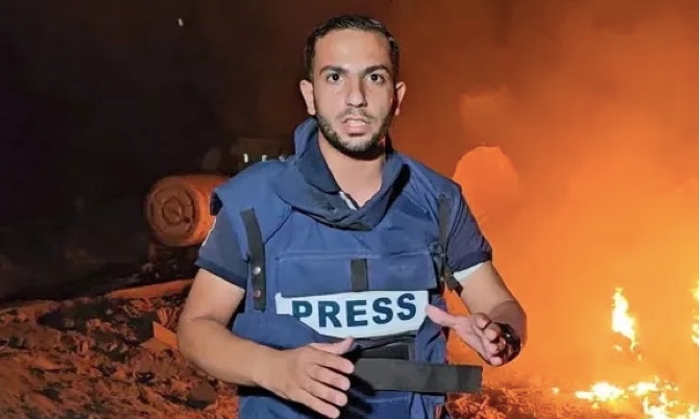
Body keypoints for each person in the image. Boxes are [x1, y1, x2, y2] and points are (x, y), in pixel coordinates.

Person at [177, 14, 527, 419]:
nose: (355, 97)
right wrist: (272, 368)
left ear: (396, 96)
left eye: (374, 77)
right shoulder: (254, 202)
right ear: (309, 95)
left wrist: (501, 334)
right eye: (335, 77)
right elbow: (196, 327)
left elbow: (502, 305)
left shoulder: (438, 200)